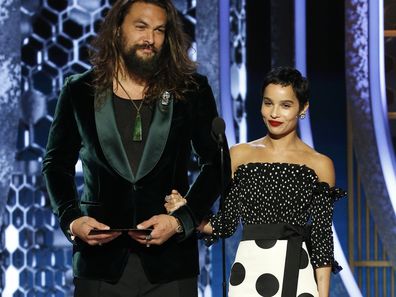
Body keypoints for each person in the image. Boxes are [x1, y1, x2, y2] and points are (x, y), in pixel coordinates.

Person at [42, 0, 230, 296]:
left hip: (171, 267)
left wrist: (180, 221)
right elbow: (56, 165)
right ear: (117, 30)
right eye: (141, 27)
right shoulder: (79, 91)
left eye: (159, 30)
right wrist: (72, 219)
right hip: (100, 262)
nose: (150, 39)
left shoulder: (191, 90)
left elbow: (218, 164)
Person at [166, 67, 345, 297]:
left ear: (303, 107)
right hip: (248, 274)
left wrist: (324, 295)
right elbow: (225, 224)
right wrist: (185, 212)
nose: (274, 113)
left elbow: (321, 240)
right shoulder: (240, 155)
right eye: (268, 103)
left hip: (298, 273)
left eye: (285, 105)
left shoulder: (320, 164)